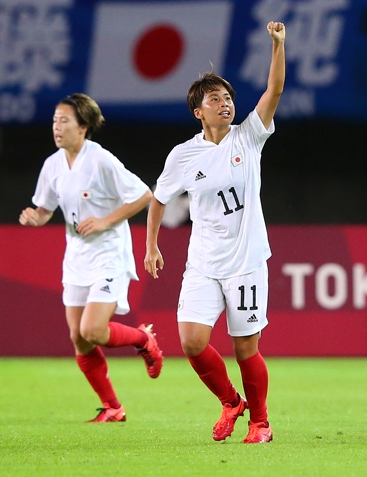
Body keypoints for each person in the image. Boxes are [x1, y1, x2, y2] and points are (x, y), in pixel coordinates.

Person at [144, 21, 285, 443]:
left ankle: (260, 422)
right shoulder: (184, 154)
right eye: (214, 99)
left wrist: (278, 46)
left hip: (245, 262)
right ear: (197, 111)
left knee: (246, 349)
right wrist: (150, 245)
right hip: (203, 262)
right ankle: (230, 401)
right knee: (190, 341)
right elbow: (159, 198)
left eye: (227, 98)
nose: (225, 104)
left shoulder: (249, 137)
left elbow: (273, 92)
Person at [19, 93, 163, 423]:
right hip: (77, 258)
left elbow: (144, 195)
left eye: (64, 120)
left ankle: (144, 339)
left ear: (83, 127)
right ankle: (113, 407)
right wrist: (35, 217)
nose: (57, 127)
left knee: (93, 330)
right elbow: (45, 210)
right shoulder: (53, 165)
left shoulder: (101, 161)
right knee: (78, 338)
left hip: (109, 253)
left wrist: (105, 220)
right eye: (55, 120)